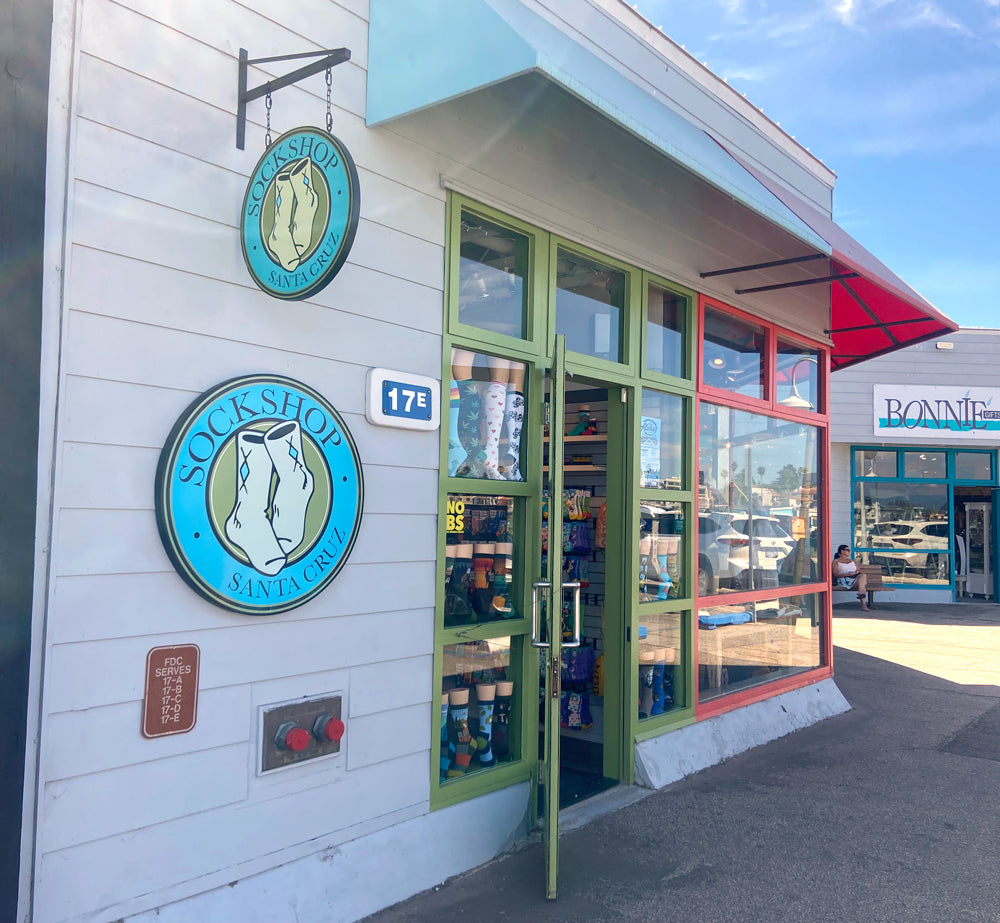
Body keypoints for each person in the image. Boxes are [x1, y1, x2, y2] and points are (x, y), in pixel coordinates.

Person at [833, 544, 869, 610]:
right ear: (842, 551)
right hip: (844, 579)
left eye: (849, 550)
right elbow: (835, 574)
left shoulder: (852, 561)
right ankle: (863, 604)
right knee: (862, 585)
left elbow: (858, 570)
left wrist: (855, 572)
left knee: (862, 577)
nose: (849, 552)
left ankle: (861, 594)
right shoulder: (836, 561)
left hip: (854, 578)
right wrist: (848, 574)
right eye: (847, 550)